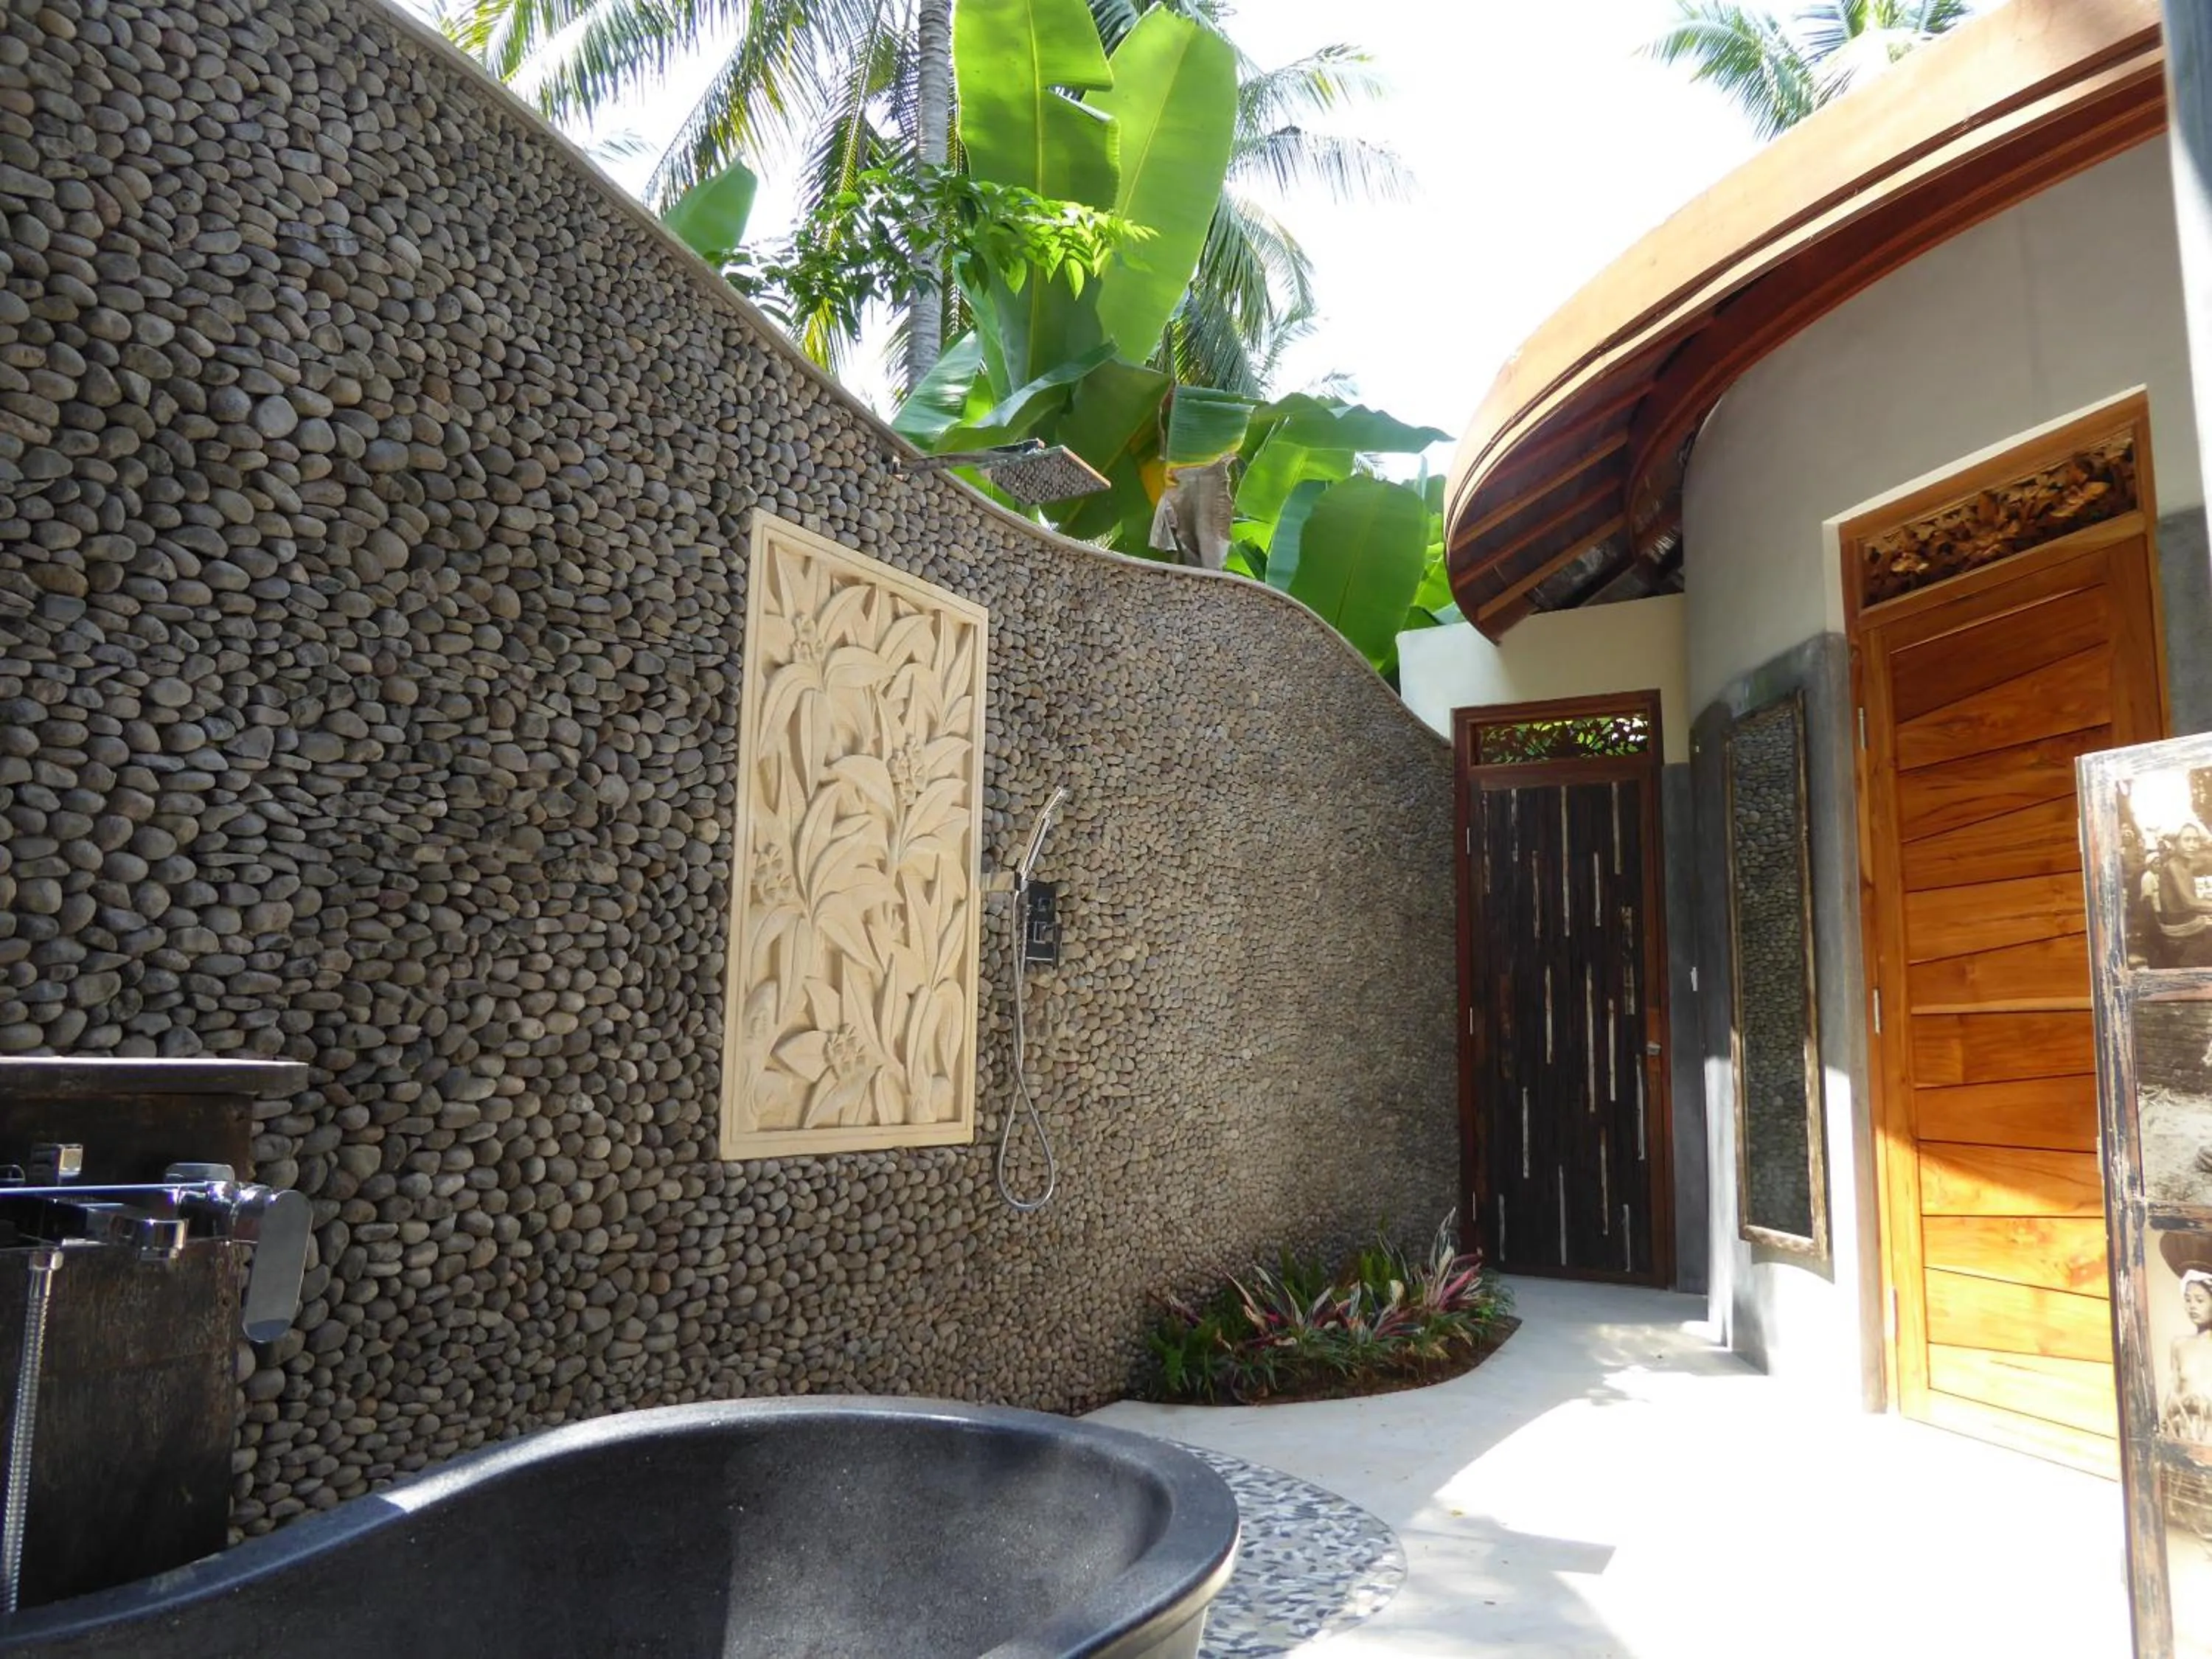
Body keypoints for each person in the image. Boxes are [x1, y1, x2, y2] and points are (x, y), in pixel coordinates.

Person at [2155, 821, 2212, 969]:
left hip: (2184, 922)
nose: (2192, 845)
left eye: (2196, 840)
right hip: (2180, 928)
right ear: (2175, 843)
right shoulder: (2174, 865)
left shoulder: (2185, 864)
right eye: (2187, 840)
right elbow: (2190, 903)